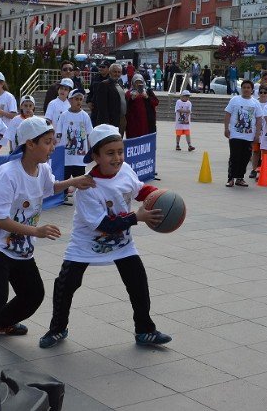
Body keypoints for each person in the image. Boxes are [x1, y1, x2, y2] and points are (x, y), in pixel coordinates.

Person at [0, 117, 95, 360]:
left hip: (21, 250)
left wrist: (74, 181)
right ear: (29, 144)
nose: (52, 147)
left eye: (53, 142)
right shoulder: (8, 174)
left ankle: (1, 324)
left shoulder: (43, 168)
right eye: (47, 142)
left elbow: (49, 187)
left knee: (33, 295)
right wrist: (37, 231)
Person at [38, 124, 170, 349]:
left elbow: (139, 190)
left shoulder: (126, 169)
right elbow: (104, 225)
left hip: (122, 244)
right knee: (66, 284)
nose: (117, 158)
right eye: (110, 153)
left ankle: (145, 330)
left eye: (120, 151)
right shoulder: (87, 187)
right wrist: (137, 218)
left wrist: (159, 196)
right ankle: (57, 328)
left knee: (137, 282)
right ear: (96, 156)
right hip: (86, 243)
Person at [55, 89, 93, 205]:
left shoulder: (85, 116)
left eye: (81, 99)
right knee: (65, 176)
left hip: (80, 156)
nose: (79, 101)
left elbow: (89, 133)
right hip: (66, 155)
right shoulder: (64, 116)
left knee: (80, 177)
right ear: (70, 100)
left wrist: (91, 150)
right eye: (76, 99)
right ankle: (63, 195)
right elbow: (59, 133)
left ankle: (84, 197)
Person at [224, 79, 261, 188]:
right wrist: (226, 128)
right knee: (234, 156)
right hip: (235, 134)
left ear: (252, 90)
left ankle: (240, 178)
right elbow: (227, 114)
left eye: (248, 88)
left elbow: (259, 119)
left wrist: (257, 134)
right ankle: (230, 178)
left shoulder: (255, 102)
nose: (246, 89)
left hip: (249, 136)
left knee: (245, 157)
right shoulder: (235, 100)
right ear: (241, 89)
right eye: (244, 87)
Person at [92, 63, 126, 132]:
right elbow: (102, 106)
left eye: (119, 72)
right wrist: (106, 123)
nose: (117, 74)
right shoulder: (104, 84)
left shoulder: (119, 83)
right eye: (115, 71)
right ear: (110, 72)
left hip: (121, 118)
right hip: (110, 121)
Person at [0, 72, 17, 154]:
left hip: (3, 132)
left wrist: (1, 112)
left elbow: (14, 115)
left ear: (2, 83)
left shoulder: (9, 97)